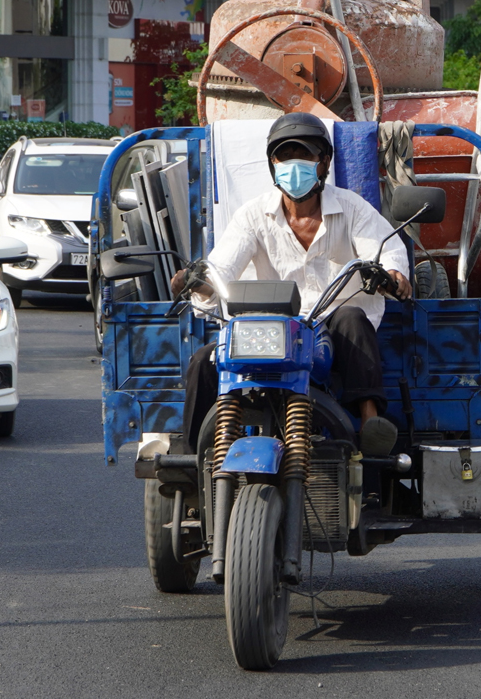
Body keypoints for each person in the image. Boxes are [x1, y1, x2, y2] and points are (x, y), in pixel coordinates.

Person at [172, 113, 412, 456]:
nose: (293, 166)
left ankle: (369, 421)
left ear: (323, 162)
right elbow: (221, 267)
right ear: (273, 164)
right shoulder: (252, 215)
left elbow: (386, 250)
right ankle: (194, 458)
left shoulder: (352, 207)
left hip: (328, 324)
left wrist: (392, 276)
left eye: (304, 156)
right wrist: (196, 281)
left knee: (352, 317)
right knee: (204, 360)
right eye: (284, 157)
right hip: (268, 328)